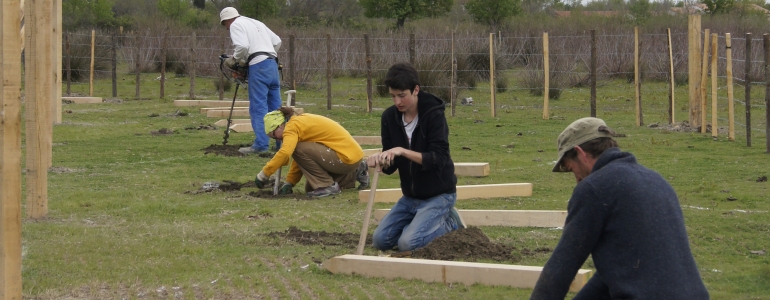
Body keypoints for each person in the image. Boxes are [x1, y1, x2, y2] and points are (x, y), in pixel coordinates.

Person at [530, 117, 709, 299]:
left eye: (571, 168)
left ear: (580, 153)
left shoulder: (594, 189)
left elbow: (562, 267)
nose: (576, 178)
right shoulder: (657, 181)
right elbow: (617, 273)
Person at [367, 62, 465, 253]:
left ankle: (450, 224)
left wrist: (403, 151)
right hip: (410, 197)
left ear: (416, 90)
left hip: (439, 195)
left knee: (408, 244)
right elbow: (391, 166)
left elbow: (438, 159)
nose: (397, 102)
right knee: (380, 241)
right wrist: (381, 160)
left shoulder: (433, 115)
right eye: (393, 96)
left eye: (402, 95)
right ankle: (417, 224)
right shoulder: (389, 118)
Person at [254, 107, 370, 197]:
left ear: (279, 126)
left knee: (299, 150)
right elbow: (302, 159)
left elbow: (285, 153)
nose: (277, 140)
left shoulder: (291, 127)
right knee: (311, 187)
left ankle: (328, 186)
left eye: (274, 136)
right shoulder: (298, 121)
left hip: (345, 157)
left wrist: (264, 174)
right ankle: (355, 173)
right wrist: (290, 182)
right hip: (351, 156)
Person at [220, 7, 283, 155]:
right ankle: (281, 143)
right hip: (272, 64)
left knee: (258, 106)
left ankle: (261, 144)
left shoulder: (235, 24)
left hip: (259, 66)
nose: (227, 28)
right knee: (276, 108)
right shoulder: (255, 22)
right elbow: (277, 41)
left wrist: (235, 59)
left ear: (227, 20)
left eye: (225, 25)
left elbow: (242, 46)